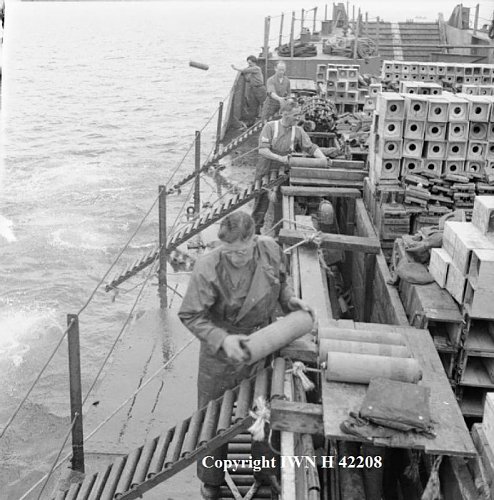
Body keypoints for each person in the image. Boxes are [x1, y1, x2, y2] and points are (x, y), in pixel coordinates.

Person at [178, 211, 313, 500]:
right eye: (228, 251)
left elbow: (281, 284)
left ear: (254, 239)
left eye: (241, 251)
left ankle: (265, 472)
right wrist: (222, 339)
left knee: (263, 412)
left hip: (262, 343)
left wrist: (291, 300)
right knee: (212, 418)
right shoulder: (207, 266)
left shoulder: (271, 249)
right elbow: (190, 314)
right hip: (221, 352)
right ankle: (212, 480)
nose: (235, 257)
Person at [252, 98, 326, 235]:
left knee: (281, 203)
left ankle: (279, 235)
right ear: (285, 114)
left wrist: (323, 159)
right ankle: (254, 233)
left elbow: (311, 148)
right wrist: (280, 158)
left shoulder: (297, 131)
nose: (298, 118)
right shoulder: (270, 127)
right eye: (295, 115)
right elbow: (262, 150)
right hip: (266, 168)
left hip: (283, 171)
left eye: (299, 115)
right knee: (260, 203)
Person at [231, 56, 267, 127]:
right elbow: (247, 79)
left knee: (264, 104)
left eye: (250, 63)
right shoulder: (252, 73)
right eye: (248, 63)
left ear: (254, 62)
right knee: (252, 106)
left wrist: (235, 68)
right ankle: (252, 122)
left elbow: (245, 70)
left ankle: (265, 120)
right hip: (253, 89)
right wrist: (243, 75)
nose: (249, 65)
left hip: (260, 89)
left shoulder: (257, 68)